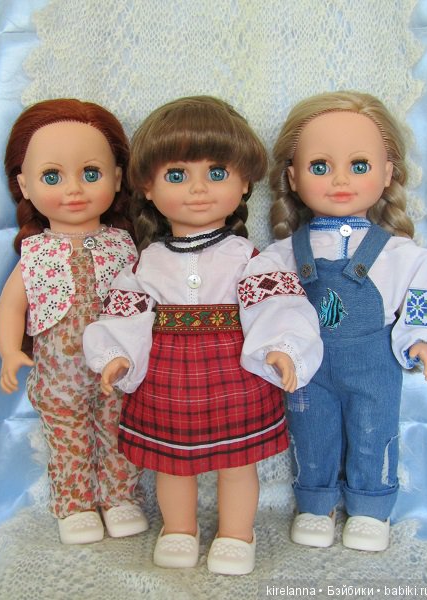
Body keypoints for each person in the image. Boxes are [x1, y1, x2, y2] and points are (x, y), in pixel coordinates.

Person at [83, 95, 322, 574]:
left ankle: (237, 533)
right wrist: (116, 354)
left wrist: (282, 348)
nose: (198, 189)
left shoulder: (247, 257)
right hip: (167, 379)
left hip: (236, 374)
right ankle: (178, 528)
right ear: (147, 187)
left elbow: (276, 306)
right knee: (171, 463)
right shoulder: (148, 262)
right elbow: (128, 313)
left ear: (244, 182)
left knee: (238, 462)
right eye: (176, 175)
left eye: (216, 173)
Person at [264, 90, 427, 552]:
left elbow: (421, 296)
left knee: (373, 432)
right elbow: (264, 301)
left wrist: (420, 339)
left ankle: (370, 506)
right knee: (311, 433)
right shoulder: (283, 254)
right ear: (293, 177)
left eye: (359, 165)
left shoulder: (401, 253)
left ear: (387, 173)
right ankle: (315, 503)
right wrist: (276, 344)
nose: (340, 179)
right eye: (320, 166)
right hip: (308, 363)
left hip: (374, 361)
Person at [0, 99, 148, 545]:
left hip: (118, 369)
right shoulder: (36, 252)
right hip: (59, 375)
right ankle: (76, 504)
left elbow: (146, 299)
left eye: (91, 173)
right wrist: (10, 350)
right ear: (24, 185)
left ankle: (120, 497)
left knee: (120, 432)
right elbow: (11, 307)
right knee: (68, 439)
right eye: (52, 177)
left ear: (117, 178)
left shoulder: (124, 245)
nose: (74, 190)